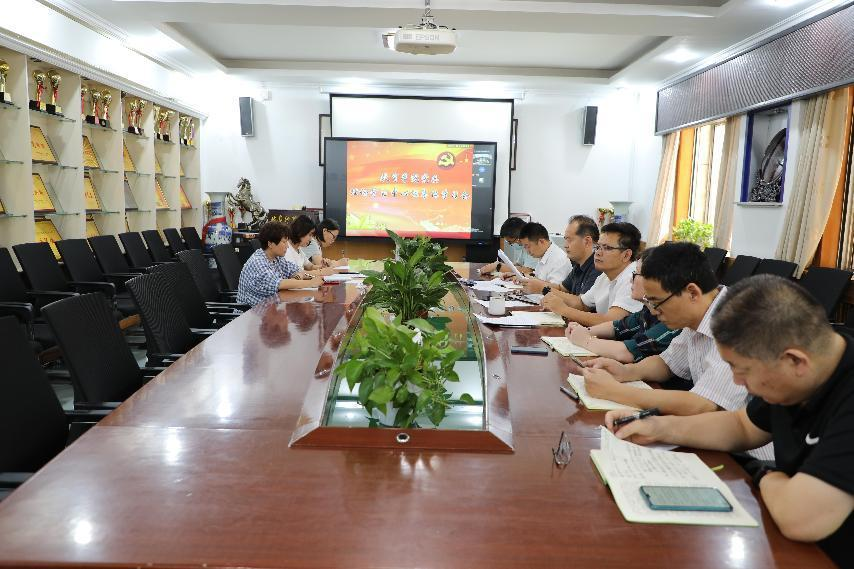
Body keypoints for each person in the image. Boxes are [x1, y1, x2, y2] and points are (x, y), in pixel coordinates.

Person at [604, 275, 853, 567]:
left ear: (795, 361)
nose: (736, 381)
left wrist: (764, 473)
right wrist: (658, 427)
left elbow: (800, 518)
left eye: (742, 369)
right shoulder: (794, 375)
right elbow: (742, 426)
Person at [580, 244, 773, 461]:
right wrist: (627, 372)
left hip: (749, 458)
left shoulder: (736, 324)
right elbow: (667, 363)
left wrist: (615, 391)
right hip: (710, 438)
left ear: (692, 293)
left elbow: (703, 405)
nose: (653, 311)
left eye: (656, 302)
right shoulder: (699, 312)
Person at [566, 249, 680, 363]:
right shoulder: (647, 310)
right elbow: (618, 326)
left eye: (636, 274)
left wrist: (585, 340)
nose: (631, 280)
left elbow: (627, 352)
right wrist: (586, 331)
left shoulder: (672, 321)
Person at [541, 222, 643, 327]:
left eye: (607, 248)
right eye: (598, 247)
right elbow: (582, 304)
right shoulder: (604, 276)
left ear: (626, 255)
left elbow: (611, 322)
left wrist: (564, 310)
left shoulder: (633, 278)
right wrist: (553, 299)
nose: (598, 253)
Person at [237, 221, 323, 305]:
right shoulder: (258, 262)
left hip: (270, 307)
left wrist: (310, 277)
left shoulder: (276, 258)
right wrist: (311, 283)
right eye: (284, 242)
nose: (287, 246)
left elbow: (297, 271)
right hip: (251, 312)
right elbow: (280, 284)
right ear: (270, 244)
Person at [523, 214, 601, 296]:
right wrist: (536, 283)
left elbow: (581, 302)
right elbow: (562, 288)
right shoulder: (578, 265)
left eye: (569, 240)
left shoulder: (597, 268)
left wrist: (542, 289)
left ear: (587, 242)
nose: (565, 245)